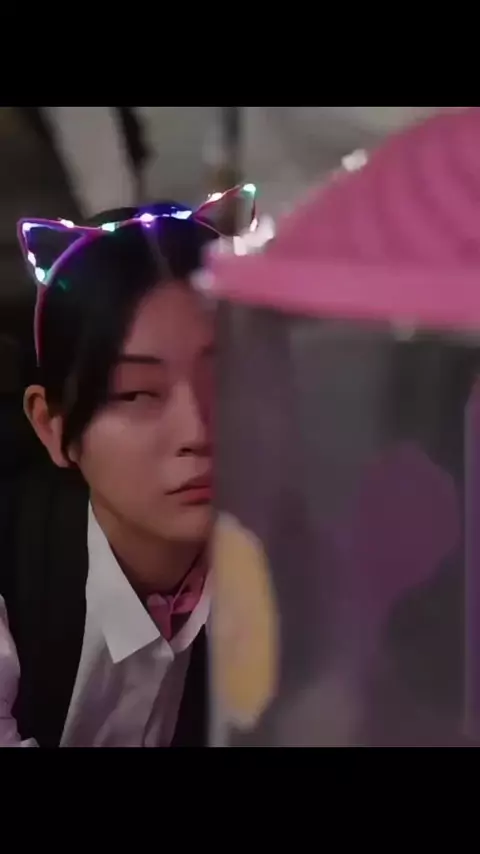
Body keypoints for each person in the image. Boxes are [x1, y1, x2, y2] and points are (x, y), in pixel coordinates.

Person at [0, 194, 241, 747]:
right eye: (135, 393)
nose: (198, 431)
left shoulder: (290, 573)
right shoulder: (12, 563)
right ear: (52, 426)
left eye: (228, 379)